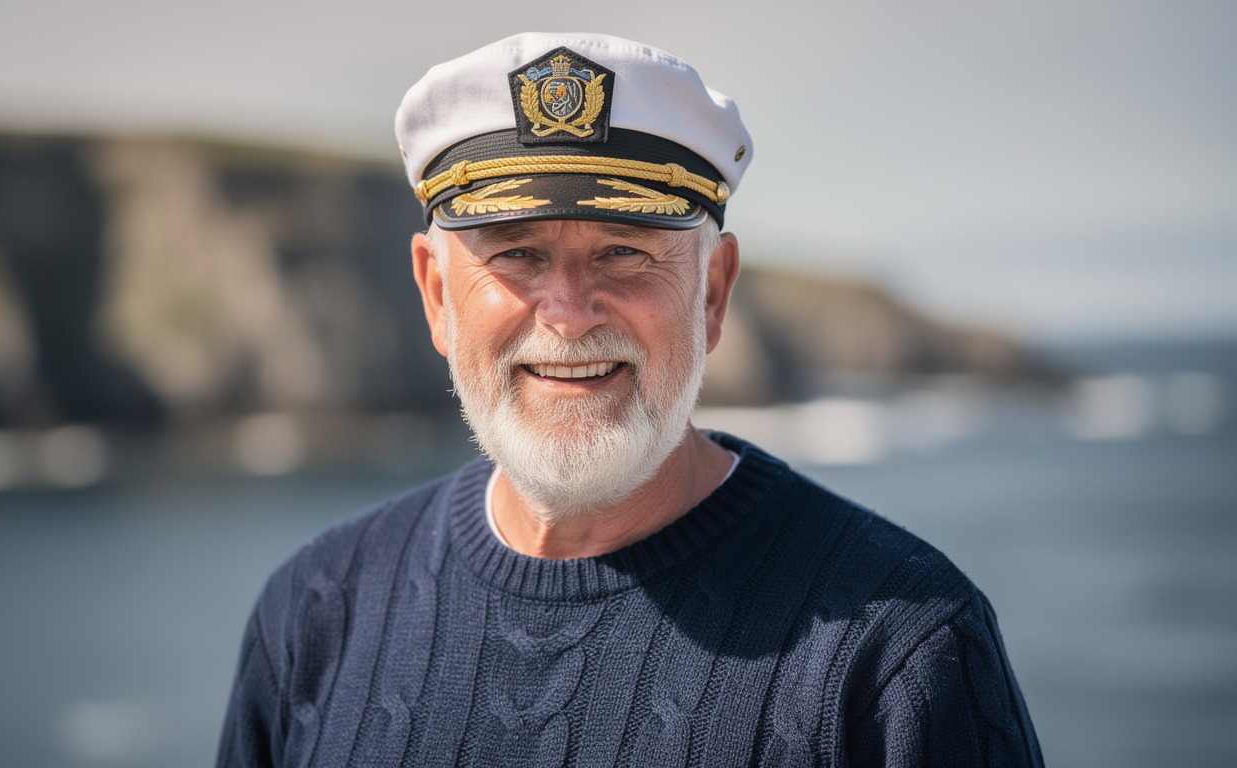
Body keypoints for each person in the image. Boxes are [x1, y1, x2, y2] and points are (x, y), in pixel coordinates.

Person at [217, 32, 1042, 766]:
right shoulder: (315, 609)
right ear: (437, 295)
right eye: (516, 255)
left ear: (712, 293)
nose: (569, 315)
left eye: (623, 251)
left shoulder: (903, 649)